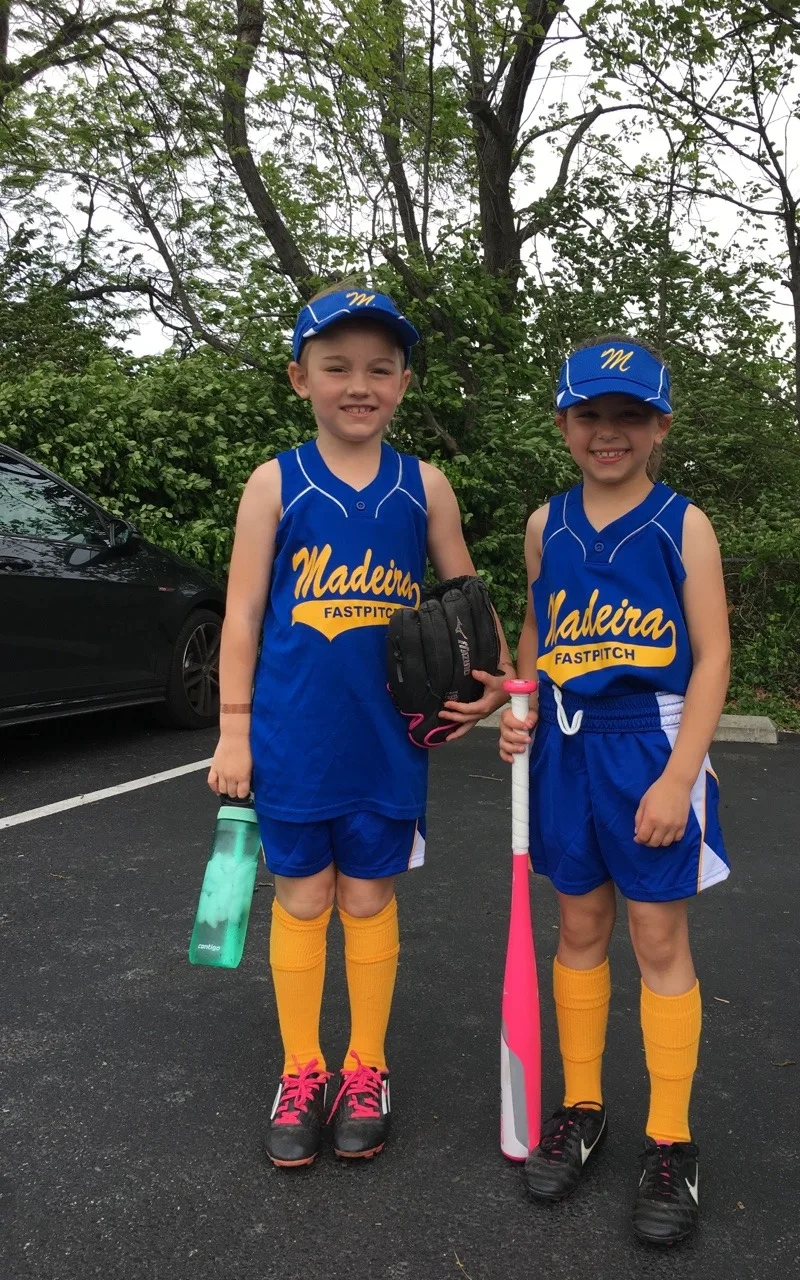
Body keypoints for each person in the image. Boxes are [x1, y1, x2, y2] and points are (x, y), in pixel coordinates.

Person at [208, 285, 512, 1168]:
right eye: (337, 367)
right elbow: (240, 614)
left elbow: (466, 598)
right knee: (303, 897)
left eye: (380, 368)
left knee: (369, 897)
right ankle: (301, 1069)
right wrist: (233, 731)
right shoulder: (276, 481)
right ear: (301, 377)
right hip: (294, 733)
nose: (358, 384)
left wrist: (490, 684)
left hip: (390, 738)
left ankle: (366, 1065)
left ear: (404, 383)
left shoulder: (425, 485)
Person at [499, 337, 730, 1244]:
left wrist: (680, 776)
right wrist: (519, 703)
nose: (608, 432)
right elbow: (536, 625)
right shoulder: (543, 524)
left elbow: (713, 659)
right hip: (565, 744)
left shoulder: (682, 524)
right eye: (590, 414)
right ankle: (583, 1106)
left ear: (659, 428)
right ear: (563, 424)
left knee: (655, 933)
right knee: (581, 928)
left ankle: (671, 1140)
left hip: (651, 743)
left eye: (629, 416)